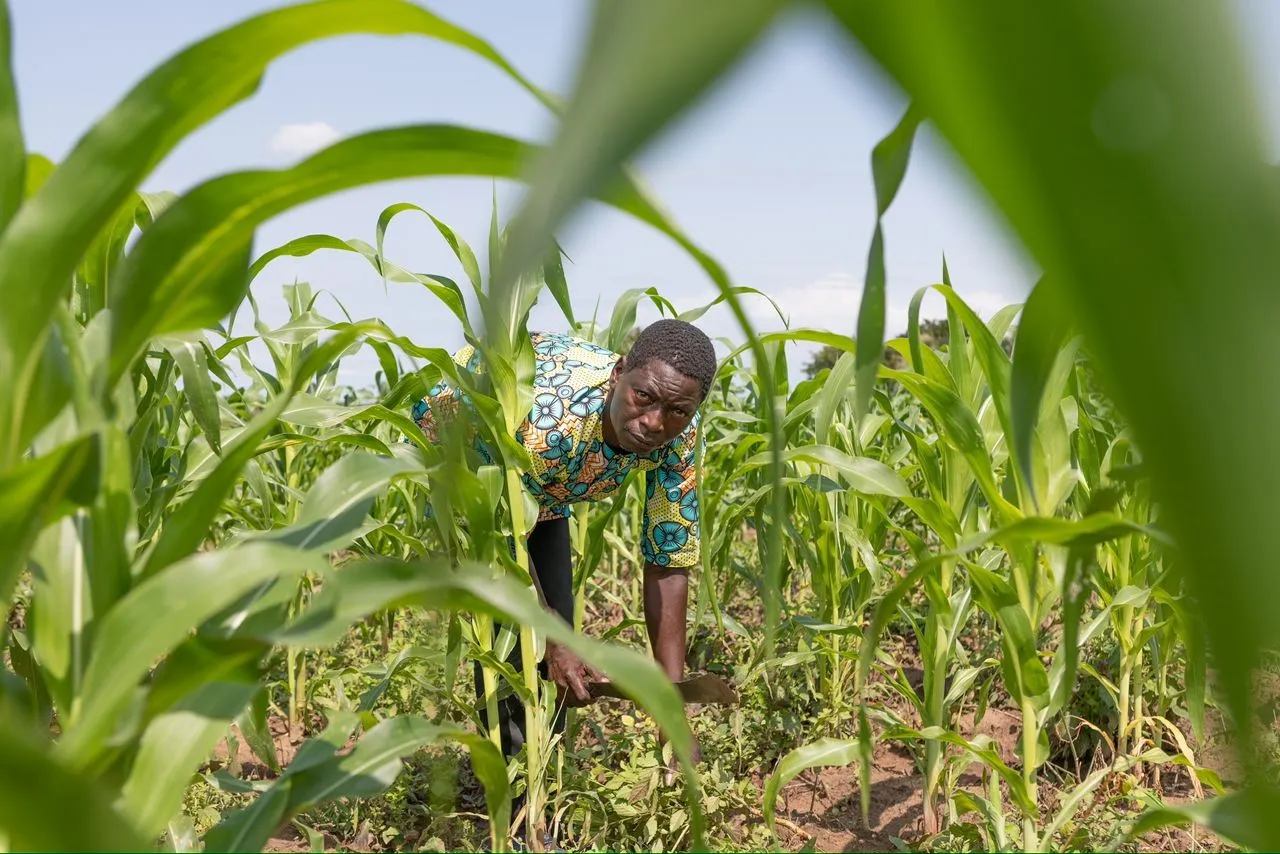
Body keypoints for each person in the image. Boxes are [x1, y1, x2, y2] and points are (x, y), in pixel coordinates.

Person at [410, 318, 716, 774]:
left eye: (677, 411)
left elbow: (666, 562)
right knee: (514, 636)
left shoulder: (678, 437)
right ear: (619, 374)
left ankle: (541, 778)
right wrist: (551, 635)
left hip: (545, 490)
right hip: (462, 451)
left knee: (557, 626)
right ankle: (511, 806)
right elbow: (497, 531)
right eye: (643, 397)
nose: (654, 423)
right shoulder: (551, 420)